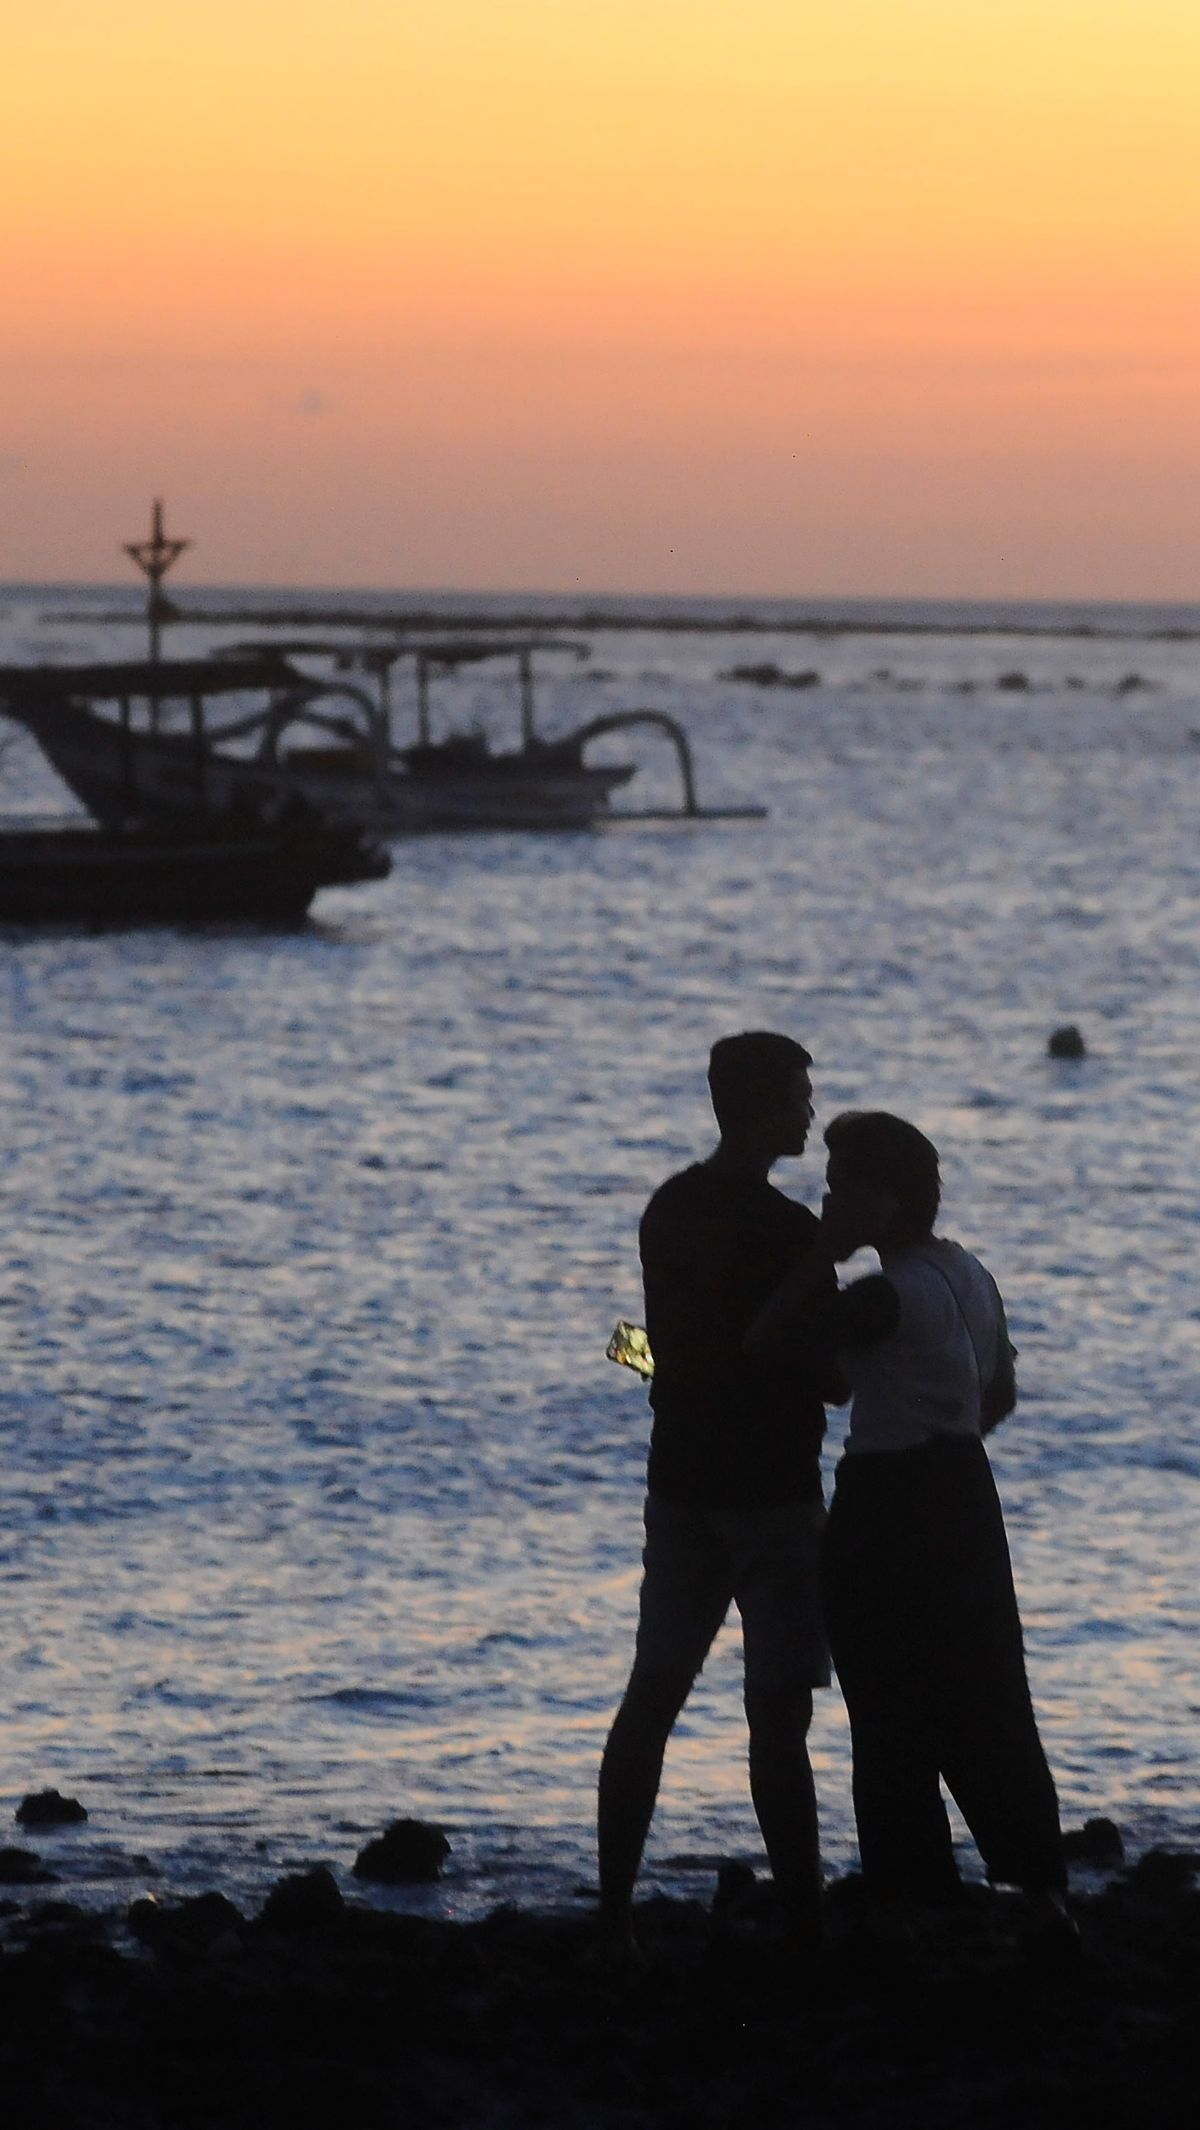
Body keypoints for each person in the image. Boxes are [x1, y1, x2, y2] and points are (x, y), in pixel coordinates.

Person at [748, 1110, 1069, 1931]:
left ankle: (910, 1881)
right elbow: (999, 1392)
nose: (829, 1202)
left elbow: (776, 1351)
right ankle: (1038, 1880)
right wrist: (941, 1429)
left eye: (843, 1190)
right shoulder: (969, 1273)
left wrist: (820, 1255)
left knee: (888, 1697)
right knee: (991, 1686)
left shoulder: (881, 1297)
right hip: (964, 1489)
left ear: (884, 1201)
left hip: (889, 1499)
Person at [597, 1031, 839, 1959]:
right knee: (778, 1719)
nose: (810, 1111)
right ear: (763, 1107)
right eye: (799, 1096)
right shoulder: (789, 1233)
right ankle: (806, 1926)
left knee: (651, 1698)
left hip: (680, 1480)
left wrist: (681, 1378)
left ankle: (612, 1917)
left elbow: (634, 1343)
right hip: (772, 1492)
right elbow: (830, 1380)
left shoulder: (668, 1209)